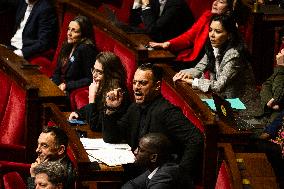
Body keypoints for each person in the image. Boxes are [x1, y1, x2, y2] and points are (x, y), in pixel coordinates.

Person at [103, 63, 203, 183]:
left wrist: (181, 175)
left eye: (142, 83)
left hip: (155, 176)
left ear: (157, 86)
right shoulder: (135, 107)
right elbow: (112, 137)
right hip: (137, 169)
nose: (136, 87)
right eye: (134, 82)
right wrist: (110, 110)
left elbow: (196, 139)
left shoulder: (167, 112)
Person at [172, 14, 261, 117]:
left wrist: (193, 81)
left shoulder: (234, 55)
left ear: (229, 35)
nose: (211, 35)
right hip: (225, 103)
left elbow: (219, 85)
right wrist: (183, 74)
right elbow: (199, 68)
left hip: (244, 109)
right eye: (210, 30)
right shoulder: (215, 47)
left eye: (217, 31)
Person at [149, 0, 235, 65]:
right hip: (195, 59)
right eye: (215, 0)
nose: (215, 3)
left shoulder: (231, 28)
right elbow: (189, 36)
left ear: (229, 9)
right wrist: (168, 43)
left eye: (221, 2)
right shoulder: (207, 16)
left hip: (210, 63)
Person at [68, 51, 130, 131]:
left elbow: (96, 126)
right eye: (94, 70)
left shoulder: (116, 95)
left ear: (110, 75)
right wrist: (78, 113)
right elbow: (96, 109)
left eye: (99, 72)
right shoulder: (105, 86)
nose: (94, 75)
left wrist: (91, 97)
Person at [121, 133, 190, 189]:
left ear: (153, 157)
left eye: (140, 150)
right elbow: (132, 185)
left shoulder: (165, 176)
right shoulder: (156, 166)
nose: (135, 152)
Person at [51, 15, 98, 94]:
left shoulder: (86, 49)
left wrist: (67, 86)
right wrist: (56, 84)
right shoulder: (66, 45)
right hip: (59, 87)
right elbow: (57, 71)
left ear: (83, 34)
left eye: (74, 31)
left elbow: (90, 78)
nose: (69, 33)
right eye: (68, 29)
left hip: (70, 91)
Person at [129, 0, 194, 42]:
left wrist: (146, 5)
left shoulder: (176, 4)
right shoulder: (157, 1)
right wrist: (137, 3)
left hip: (172, 42)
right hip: (159, 35)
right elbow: (134, 22)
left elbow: (152, 29)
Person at [257, 49, 284, 124]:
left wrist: (281, 66)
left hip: (274, 121)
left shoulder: (281, 71)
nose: (281, 50)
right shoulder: (280, 72)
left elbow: (277, 96)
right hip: (267, 114)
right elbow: (266, 85)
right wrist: (270, 102)